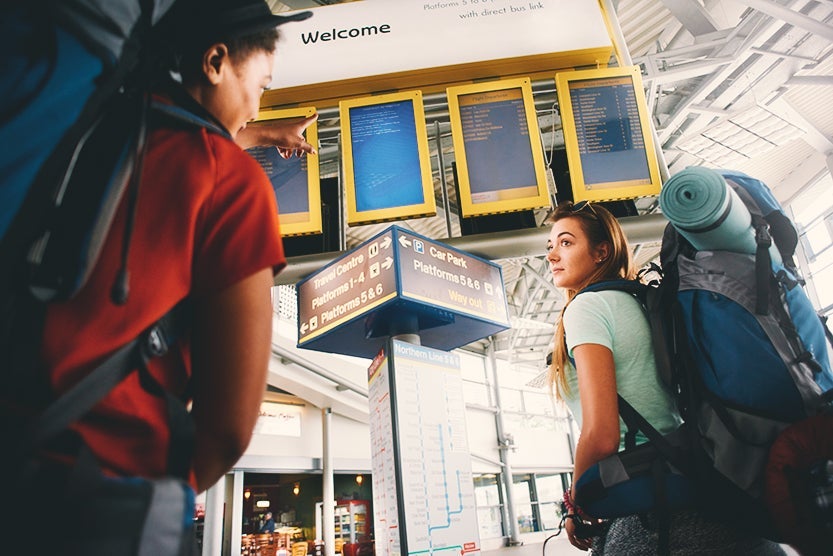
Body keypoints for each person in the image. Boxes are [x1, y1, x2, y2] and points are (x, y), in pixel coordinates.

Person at [1, 1, 315, 546]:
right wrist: (157, 498)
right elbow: (228, 429)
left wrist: (259, 134)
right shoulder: (233, 185)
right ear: (215, 61)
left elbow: (183, 131)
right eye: (261, 87)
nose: (256, 107)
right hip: (100, 496)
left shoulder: (81, 129)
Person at [545, 200, 785, 554]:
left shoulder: (586, 307)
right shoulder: (643, 300)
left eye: (566, 243)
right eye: (549, 246)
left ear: (601, 252)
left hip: (650, 507)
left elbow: (602, 433)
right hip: (707, 486)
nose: (552, 255)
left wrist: (576, 504)